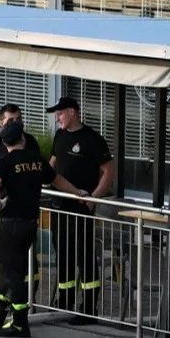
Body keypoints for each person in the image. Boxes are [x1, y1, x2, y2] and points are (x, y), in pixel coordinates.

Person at [46, 95, 115, 317]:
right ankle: (64, 301)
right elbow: (53, 164)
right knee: (63, 253)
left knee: (84, 255)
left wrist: (93, 198)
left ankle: (88, 307)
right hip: (59, 204)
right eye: (56, 114)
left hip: (81, 206)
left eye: (61, 113)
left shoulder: (92, 139)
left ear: (73, 112)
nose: (58, 118)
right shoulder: (59, 136)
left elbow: (109, 171)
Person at [0, 118, 52, 338]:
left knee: (11, 273)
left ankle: (20, 323)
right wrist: (79, 193)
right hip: (29, 223)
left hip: (8, 222)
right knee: (13, 269)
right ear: (23, 138)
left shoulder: (4, 161)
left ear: (4, 142)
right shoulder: (36, 159)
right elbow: (57, 180)